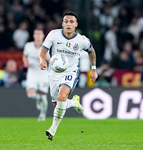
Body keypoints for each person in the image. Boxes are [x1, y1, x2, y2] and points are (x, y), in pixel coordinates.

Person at [39, 11, 98, 141]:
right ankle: (74, 103)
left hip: (70, 72)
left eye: (71, 22)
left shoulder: (81, 40)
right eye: (66, 21)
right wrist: (41, 60)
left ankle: (52, 129)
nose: (69, 24)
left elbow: (91, 52)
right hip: (54, 74)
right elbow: (42, 52)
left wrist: (93, 69)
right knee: (58, 105)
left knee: (61, 97)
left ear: (76, 24)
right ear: (62, 24)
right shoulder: (54, 35)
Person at [22, 29, 50, 121]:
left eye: (39, 34)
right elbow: (25, 55)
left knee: (43, 96)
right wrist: (25, 62)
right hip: (32, 73)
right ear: (33, 36)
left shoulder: (46, 47)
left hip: (42, 73)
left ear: (43, 36)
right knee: (31, 94)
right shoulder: (28, 46)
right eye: (36, 34)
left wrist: (45, 57)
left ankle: (43, 115)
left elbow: (50, 60)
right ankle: (38, 99)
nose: (38, 36)